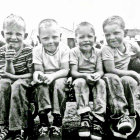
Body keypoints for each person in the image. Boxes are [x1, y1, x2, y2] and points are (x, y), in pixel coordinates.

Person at [102, 15, 140, 135]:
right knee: (114, 78)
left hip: (122, 77)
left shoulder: (131, 46)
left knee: (129, 81)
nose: (111, 38)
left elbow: (137, 55)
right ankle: (120, 115)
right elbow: (110, 69)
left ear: (125, 32)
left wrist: (136, 64)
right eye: (107, 35)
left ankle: (132, 114)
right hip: (108, 76)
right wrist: (133, 72)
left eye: (116, 33)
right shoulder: (107, 49)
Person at [32, 19, 70, 137]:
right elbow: (38, 70)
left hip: (59, 76)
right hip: (45, 77)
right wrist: (38, 75)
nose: (51, 41)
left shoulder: (64, 49)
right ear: (39, 39)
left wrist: (53, 76)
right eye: (45, 38)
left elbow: (65, 70)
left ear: (60, 36)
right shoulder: (37, 50)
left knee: (59, 84)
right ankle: (44, 122)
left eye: (54, 37)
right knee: (41, 86)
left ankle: (57, 123)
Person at [70, 22, 106, 140]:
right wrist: (85, 76)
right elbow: (74, 72)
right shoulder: (74, 52)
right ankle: (84, 117)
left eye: (89, 36)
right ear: (76, 40)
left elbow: (100, 71)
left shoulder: (98, 52)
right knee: (80, 82)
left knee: (101, 83)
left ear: (95, 39)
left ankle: (97, 120)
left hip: (94, 78)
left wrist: (97, 75)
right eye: (82, 37)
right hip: (80, 78)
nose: (86, 40)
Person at [0, 14, 33, 140]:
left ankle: (17, 129)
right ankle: (3, 126)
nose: (13, 37)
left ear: (24, 36)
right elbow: (5, 75)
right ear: (3, 34)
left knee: (17, 85)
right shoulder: (2, 51)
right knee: (2, 84)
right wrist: (9, 61)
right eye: (9, 33)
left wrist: (14, 78)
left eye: (18, 34)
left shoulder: (29, 50)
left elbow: (31, 74)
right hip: (9, 82)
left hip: (25, 84)